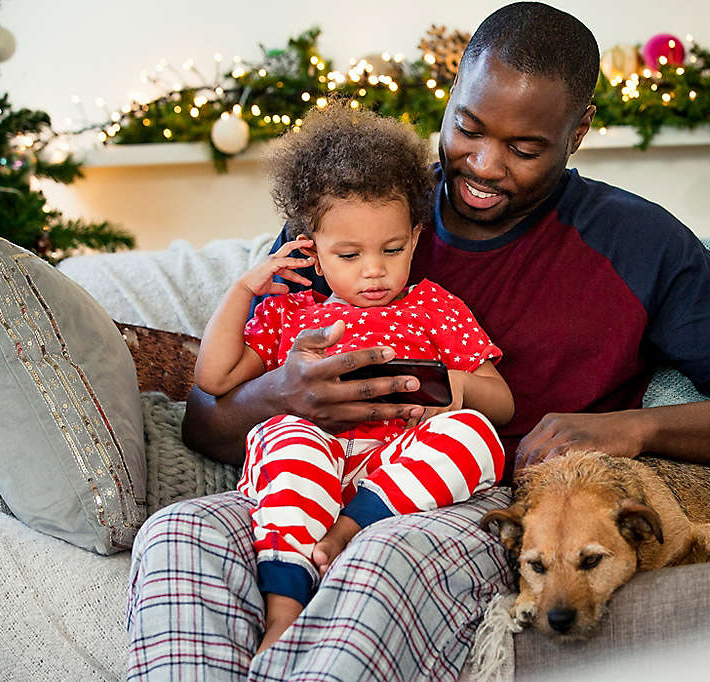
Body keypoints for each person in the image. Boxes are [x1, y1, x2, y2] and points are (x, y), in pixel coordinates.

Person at [128, 3, 710, 680]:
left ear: (578, 132)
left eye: (525, 148)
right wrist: (284, 392)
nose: (485, 165)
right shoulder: (355, 217)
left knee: (381, 559)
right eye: (467, 128)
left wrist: (626, 428)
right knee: (176, 536)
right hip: (308, 476)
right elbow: (205, 423)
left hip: (466, 499)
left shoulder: (635, 243)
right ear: (450, 96)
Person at [192, 101, 514, 655]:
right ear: (312, 251)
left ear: (415, 238)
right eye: (349, 254)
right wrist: (243, 291)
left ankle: (351, 527)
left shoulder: (434, 306)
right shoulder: (291, 313)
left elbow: (502, 403)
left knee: (477, 436)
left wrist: (449, 390)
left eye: (392, 250)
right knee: (285, 439)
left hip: (400, 472)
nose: (373, 270)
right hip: (316, 456)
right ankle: (283, 613)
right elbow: (214, 377)